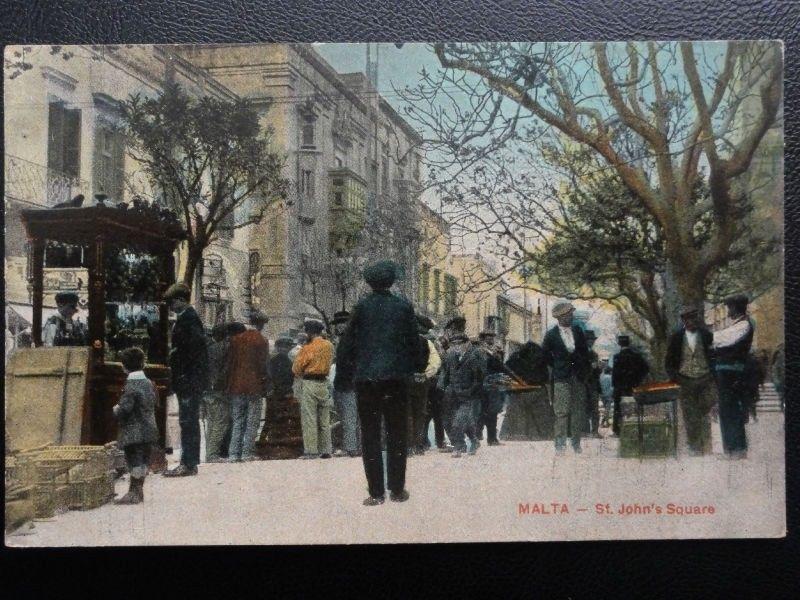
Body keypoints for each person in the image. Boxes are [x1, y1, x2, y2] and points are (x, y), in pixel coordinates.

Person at [336, 260, 427, 505]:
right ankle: (397, 489)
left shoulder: (361, 308)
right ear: (392, 282)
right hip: (397, 379)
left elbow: (346, 347)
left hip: (367, 380)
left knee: (370, 435)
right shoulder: (403, 307)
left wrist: (344, 378)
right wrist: (417, 366)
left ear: (369, 282)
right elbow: (415, 342)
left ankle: (376, 492)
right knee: (398, 433)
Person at [163, 283, 208, 477]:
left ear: (181, 300)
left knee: (188, 420)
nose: (170, 306)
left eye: (172, 302)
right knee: (187, 420)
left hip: (188, 378)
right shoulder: (188, 318)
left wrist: (177, 361)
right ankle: (189, 462)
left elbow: (192, 351)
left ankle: (188, 463)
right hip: (190, 377)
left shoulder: (188, 319)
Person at [665, 306, 716, 456]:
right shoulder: (676, 337)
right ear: (683, 321)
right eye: (688, 319)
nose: (691, 322)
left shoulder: (707, 336)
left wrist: (712, 375)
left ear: (698, 320)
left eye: (694, 319)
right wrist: (676, 377)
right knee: (689, 414)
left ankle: (705, 445)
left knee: (705, 411)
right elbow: (669, 361)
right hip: (685, 380)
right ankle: (694, 446)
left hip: (705, 379)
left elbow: (714, 356)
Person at [541, 302, 590, 455]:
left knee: (577, 412)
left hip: (578, 377)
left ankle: (576, 444)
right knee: (561, 413)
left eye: (571, 313)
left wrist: (583, 371)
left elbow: (585, 353)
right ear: (560, 317)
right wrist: (557, 366)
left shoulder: (578, 331)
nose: (571, 316)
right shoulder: (551, 335)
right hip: (561, 378)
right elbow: (545, 356)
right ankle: (560, 445)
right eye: (569, 314)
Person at [112, 347, 159, 504]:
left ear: (124, 367)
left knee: (134, 461)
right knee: (143, 460)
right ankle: (138, 491)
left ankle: (134, 493)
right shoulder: (149, 383)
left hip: (133, 432)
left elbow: (125, 408)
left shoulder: (131, 385)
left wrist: (116, 409)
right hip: (149, 429)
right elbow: (155, 402)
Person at [712, 295, 755, 459]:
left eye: (730, 307)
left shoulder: (743, 325)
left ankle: (737, 449)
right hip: (727, 372)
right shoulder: (737, 325)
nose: (728, 310)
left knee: (732, 409)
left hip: (733, 372)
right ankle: (731, 449)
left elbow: (723, 339)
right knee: (726, 409)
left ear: (736, 308)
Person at [226, 310, 270, 462]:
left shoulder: (236, 340)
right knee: (252, 420)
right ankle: (247, 452)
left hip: (236, 386)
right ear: (262, 324)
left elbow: (231, 363)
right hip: (254, 386)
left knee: (238, 420)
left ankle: (233, 453)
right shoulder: (262, 341)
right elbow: (263, 366)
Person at [440, 329, 485, 457]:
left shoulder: (474, 356)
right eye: (454, 344)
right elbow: (445, 374)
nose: (456, 347)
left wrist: (470, 391)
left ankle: (459, 447)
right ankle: (474, 441)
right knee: (449, 421)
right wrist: (443, 388)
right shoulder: (450, 357)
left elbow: (479, 378)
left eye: (459, 344)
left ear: (466, 343)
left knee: (458, 421)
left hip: (468, 396)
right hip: (452, 395)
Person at [293, 319, 335, 459]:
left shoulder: (307, 348)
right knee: (324, 418)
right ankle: (326, 449)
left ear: (310, 332)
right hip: (324, 383)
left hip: (310, 382)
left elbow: (296, 368)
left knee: (310, 418)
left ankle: (311, 450)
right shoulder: (329, 345)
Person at [500, 340, 551, 441]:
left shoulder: (514, 359)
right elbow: (545, 377)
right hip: (533, 391)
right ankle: (542, 434)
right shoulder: (539, 359)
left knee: (518, 408)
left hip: (521, 393)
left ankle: (516, 434)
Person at [331, 311, 360, 457]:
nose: (337, 327)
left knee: (348, 416)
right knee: (349, 416)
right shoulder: (348, 340)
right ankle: (352, 445)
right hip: (346, 383)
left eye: (339, 324)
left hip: (347, 384)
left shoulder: (349, 341)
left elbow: (350, 364)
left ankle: (351, 447)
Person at [407, 315, 438, 456]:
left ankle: (408, 446)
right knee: (420, 413)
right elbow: (435, 362)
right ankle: (418, 445)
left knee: (407, 413)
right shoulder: (427, 343)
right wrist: (425, 375)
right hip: (421, 382)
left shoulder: (401, 341)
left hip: (405, 381)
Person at [611, 335, 650, 436]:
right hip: (634, 387)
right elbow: (645, 369)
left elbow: (615, 375)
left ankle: (617, 431)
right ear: (629, 343)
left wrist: (615, 386)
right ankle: (634, 429)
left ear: (619, 344)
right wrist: (638, 379)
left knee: (618, 408)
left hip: (620, 388)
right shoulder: (637, 356)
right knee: (633, 408)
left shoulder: (617, 357)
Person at [203, 324, 232, 463]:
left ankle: (210, 452)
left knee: (212, 423)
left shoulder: (208, 349)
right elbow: (225, 371)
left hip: (207, 389)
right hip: (219, 391)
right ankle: (212, 454)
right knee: (220, 423)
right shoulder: (224, 348)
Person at [476, 331, 505, 446]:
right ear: (483, 339)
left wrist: (500, 355)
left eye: (492, 337)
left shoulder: (496, 351)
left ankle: (492, 438)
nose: (491, 340)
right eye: (488, 338)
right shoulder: (480, 351)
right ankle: (478, 435)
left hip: (494, 384)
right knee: (482, 412)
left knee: (493, 412)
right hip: (483, 384)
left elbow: (500, 367)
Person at [583, 330, 602, 436]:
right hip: (584, 385)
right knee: (585, 408)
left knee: (594, 409)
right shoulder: (580, 353)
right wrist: (591, 367)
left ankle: (594, 431)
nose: (591, 342)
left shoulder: (594, 354)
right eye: (589, 340)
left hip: (593, 385)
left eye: (592, 340)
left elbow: (597, 373)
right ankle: (586, 431)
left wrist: (599, 368)